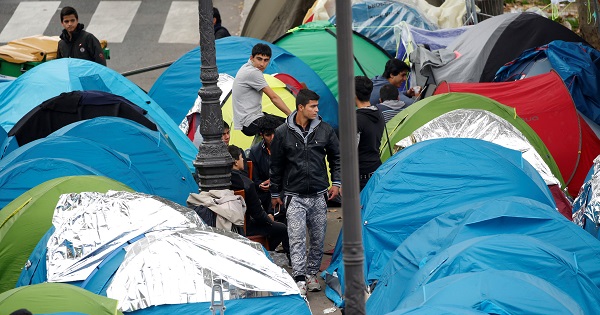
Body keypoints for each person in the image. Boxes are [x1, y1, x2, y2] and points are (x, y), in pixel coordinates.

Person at [270, 89, 341, 296]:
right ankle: (299, 277)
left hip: (319, 194)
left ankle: (311, 275)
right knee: (297, 238)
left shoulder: (325, 130)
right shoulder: (283, 132)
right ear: (300, 107)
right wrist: (275, 193)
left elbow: (336, 157)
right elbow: (276, 165)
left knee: (318, 239)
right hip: (294, 196)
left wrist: (336, 182)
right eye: (313, 106)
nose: (317, 110)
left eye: (317, 106)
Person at [228, 145, 289, 255]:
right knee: (282, 228)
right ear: (236, 162)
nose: (243, 160)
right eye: (242, 158)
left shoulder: (223, 180)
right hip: (246, 227)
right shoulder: (247, 184)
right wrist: (269, 219)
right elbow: (258, 214)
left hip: (230, 224)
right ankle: (265, 250)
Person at [232, 43, 291, 137]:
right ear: (252, 58)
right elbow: (274, 97)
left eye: (266, 60)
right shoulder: (253, 73)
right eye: (259, 59)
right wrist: (292, 115)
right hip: (250, 123)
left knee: (286, 123)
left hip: (253, 118)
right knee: (291, 128)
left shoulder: (246, 67)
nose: (262, 64)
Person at [247, 115, 281, 218]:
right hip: (264, 193)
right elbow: (254, 178)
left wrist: (273, 181)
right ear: (261, 135)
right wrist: (261, 184)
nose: (272, 138)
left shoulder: (285, 147)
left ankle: (271, 216)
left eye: (274, 134)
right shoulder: (255, 151)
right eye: (268, 135)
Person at [355, 76, 385, 191]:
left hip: (360, 177)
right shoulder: (379, 113)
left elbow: (350, 154)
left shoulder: (356, 119)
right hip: (376, 170)